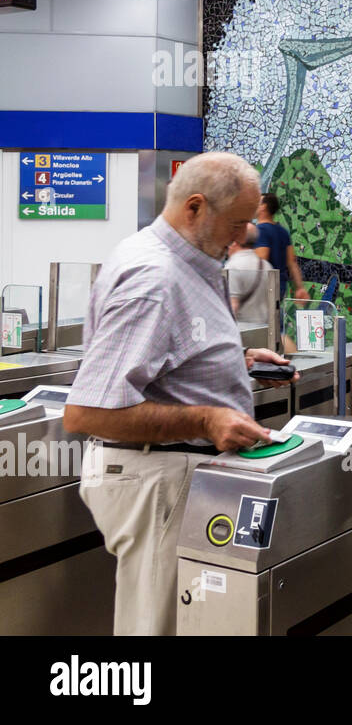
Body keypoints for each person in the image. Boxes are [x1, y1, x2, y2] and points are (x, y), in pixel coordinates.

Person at [63, 152, 297, 636]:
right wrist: (207, 421)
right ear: (194, 207)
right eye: (237, 223)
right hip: (158, 482)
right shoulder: (155, 279)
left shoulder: (190, 259)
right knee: (158, 625)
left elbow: (168, 355)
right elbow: (87, 411)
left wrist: (237, 359)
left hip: (176, 475)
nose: (242, 238)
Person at [255, 192, 310, 303]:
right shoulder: (283, 231)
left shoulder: (261, 230)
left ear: (263, 207)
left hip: (264, 287)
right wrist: (300, 287)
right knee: (275, 316)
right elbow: (292, 263)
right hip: (280, 286)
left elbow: (260, 261)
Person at [226, 222, 276, 327]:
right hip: (264, 332)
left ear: (235, 241)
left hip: (241, 334)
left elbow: (232, 307)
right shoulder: (267, 266)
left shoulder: (232, 266)